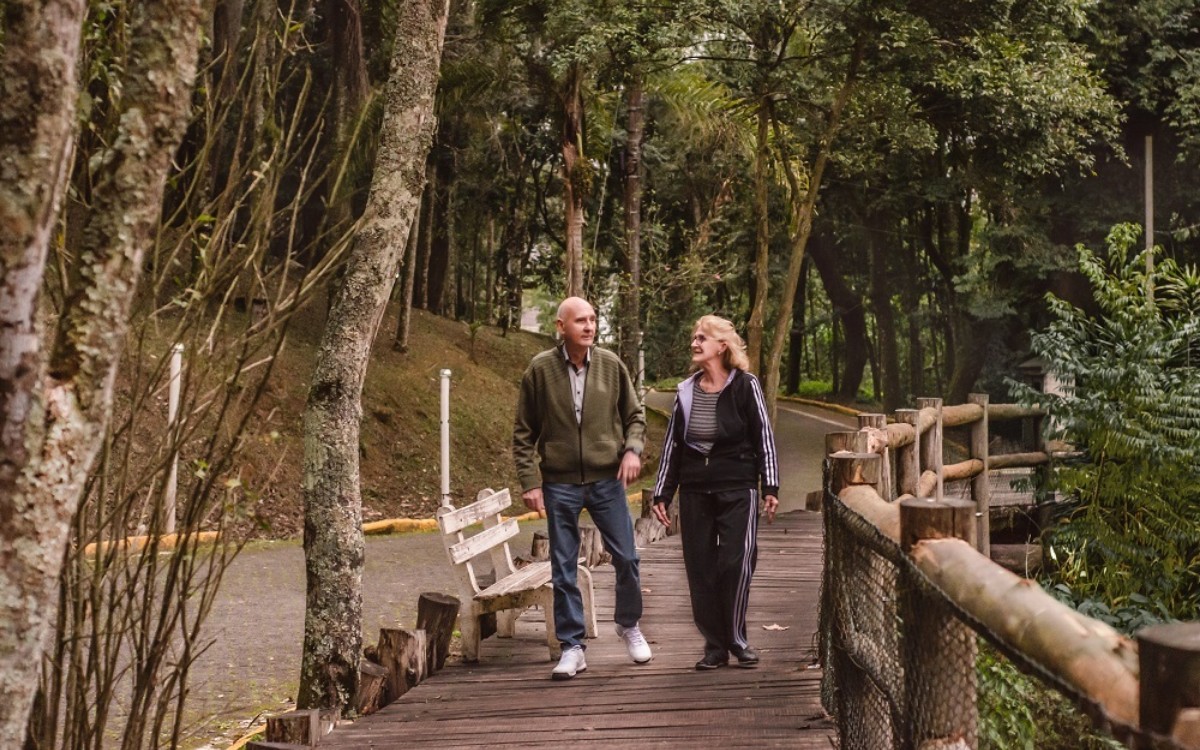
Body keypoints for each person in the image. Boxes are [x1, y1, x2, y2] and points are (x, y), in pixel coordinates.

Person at [513, 296, 652, 680]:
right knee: (563, 567)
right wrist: (530, 482)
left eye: (592, 319)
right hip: (559, 484)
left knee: (627, 556)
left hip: (607, 480)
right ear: (561, 327)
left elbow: (635, 416)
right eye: (580, 321)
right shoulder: (540, 370)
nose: (589, 326)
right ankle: (572, 646)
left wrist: (632, 451)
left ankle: (628, 624)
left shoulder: (611, 365)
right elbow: (523, 433)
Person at [651, 314, 780, 670]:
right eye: (693, 337)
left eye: (702, 338)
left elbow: (763, 438)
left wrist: (770, 485)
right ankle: (714, 645)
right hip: (695, 491)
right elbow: (672, 446)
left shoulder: (745, 385)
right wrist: (662, 492)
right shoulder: (686, 391)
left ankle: (737, 639)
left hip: (738, 487)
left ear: (722, 346)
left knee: (735, 563)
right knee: (701, 568)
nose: (694, 343)